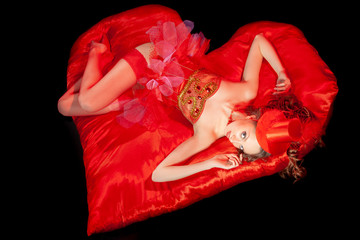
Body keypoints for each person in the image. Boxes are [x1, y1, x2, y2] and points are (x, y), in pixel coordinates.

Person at [58, 20, 292, 182]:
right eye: (244, 136)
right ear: (252, 118)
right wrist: (281, 72)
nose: (234, 140)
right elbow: (259, 41)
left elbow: (159, 173)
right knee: (88, 103)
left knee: (64, 107)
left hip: (146, 90)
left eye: (240, 147)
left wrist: (211, 163)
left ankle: (103, 77)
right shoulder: (246, 92)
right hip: (154, 57)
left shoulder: (207, 135)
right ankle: (97, 53)